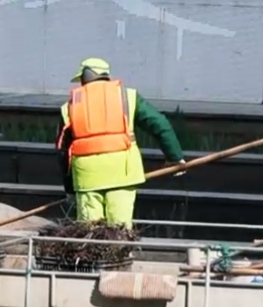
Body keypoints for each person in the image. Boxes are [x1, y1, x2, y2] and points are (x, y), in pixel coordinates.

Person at [57, 57, 185, 228]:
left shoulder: (69, 106)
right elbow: (159, 123)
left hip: (87, 179)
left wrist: (70, 189)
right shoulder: (128, 96)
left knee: (89, 234)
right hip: (123, 175)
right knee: (120, 229)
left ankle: (94, 252)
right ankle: (121, 252)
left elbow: (63, 152)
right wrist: (174, 157)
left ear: (84, 77)